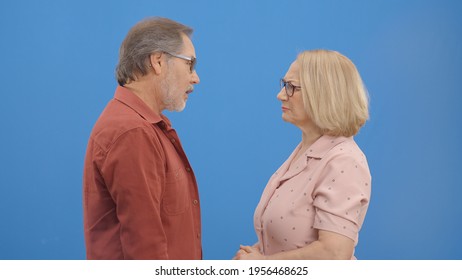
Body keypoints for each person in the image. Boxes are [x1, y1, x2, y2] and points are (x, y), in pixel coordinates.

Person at [234, 50, 371, 260]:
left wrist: (262, 264)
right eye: (283, 85)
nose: (280, 95)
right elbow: (291, 238)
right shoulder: (307, 150)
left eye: (291, 87)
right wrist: (256, 253)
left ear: (324, 94)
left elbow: (335, 253)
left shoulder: (344, 160)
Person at [83, 17, 201, 259]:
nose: (195, 77)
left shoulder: (143, 126)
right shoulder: (133, 133)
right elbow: (145, 249)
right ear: (158, 61)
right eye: (190, 64)